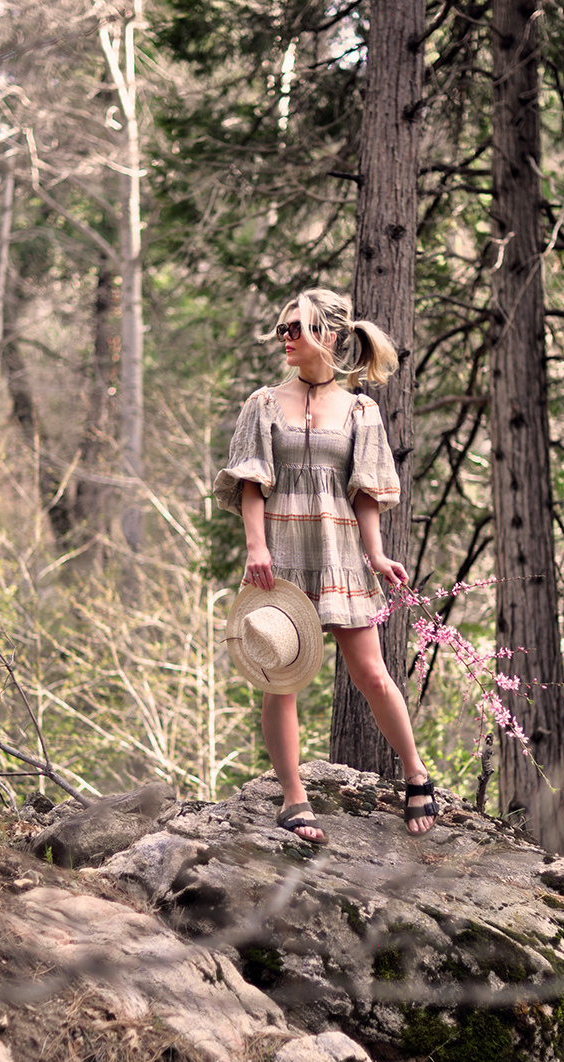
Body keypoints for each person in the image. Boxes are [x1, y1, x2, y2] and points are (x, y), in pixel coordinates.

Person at [213, 288, 438, 843]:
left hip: (338, 553)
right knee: (278, 678)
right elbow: (250, 482)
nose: (285, 338)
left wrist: (377, 553)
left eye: (297, 328)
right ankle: (294, 798)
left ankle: (416, 774)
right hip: (281, 555)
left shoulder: (360, 410)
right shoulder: (262, 403)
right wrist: (255, 545)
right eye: (283, 328)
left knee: (372, 674)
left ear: (328, 336)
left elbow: (364, 494)